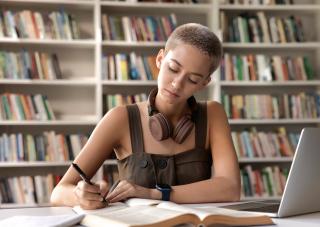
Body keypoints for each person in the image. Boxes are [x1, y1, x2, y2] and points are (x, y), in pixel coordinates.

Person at [50, 23, 240, 210]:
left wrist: (155, 194)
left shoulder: (213, 114)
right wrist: (80, 195)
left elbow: (230, 188)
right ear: (159, 59)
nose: (176, 84)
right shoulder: (120, 118)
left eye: (192, 79)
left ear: (204, 83)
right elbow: (59, 192)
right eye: (173, 68)